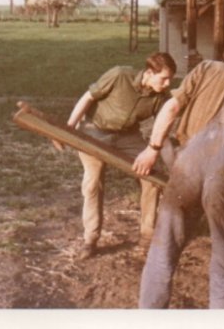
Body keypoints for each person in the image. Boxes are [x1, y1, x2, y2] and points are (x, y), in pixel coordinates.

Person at [132, 32, 224, 309]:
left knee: (163, 251)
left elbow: (171, 107)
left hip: (184, 168)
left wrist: (153, 148)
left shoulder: (208, 68)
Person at [59, 52, 176, 260]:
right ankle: (91, 239)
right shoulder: (120, 75)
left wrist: (168, 162)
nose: (167, 84)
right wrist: (68, 128)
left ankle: (147, 237)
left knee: (151, 178)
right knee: (93, 182)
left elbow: (162, 130)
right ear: (149, 73)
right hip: (95, 131)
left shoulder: (161, 97)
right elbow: (88, 97)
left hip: (128, 137)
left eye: (170, 80)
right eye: (164, 78)